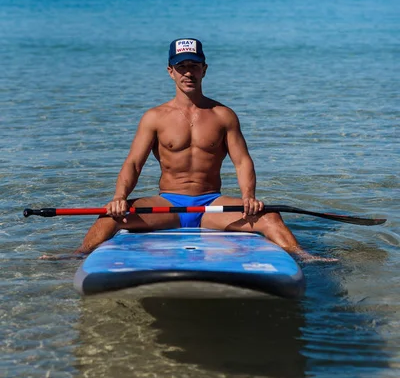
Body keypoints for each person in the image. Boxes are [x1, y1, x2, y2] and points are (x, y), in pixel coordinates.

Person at [42, 38, 332, 262]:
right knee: (109, 217)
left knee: (270, 218)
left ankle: (303, 258)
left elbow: (242, 162)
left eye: (194, 66)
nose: (188, 73)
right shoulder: (154, 117)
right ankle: (78, 255)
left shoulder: (223, 115)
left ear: (204, 69)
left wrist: (248, 198)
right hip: (168, 205)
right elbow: (133, 163)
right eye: (182, 67)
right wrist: (119, 198)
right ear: (171, 72)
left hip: (212, 206)